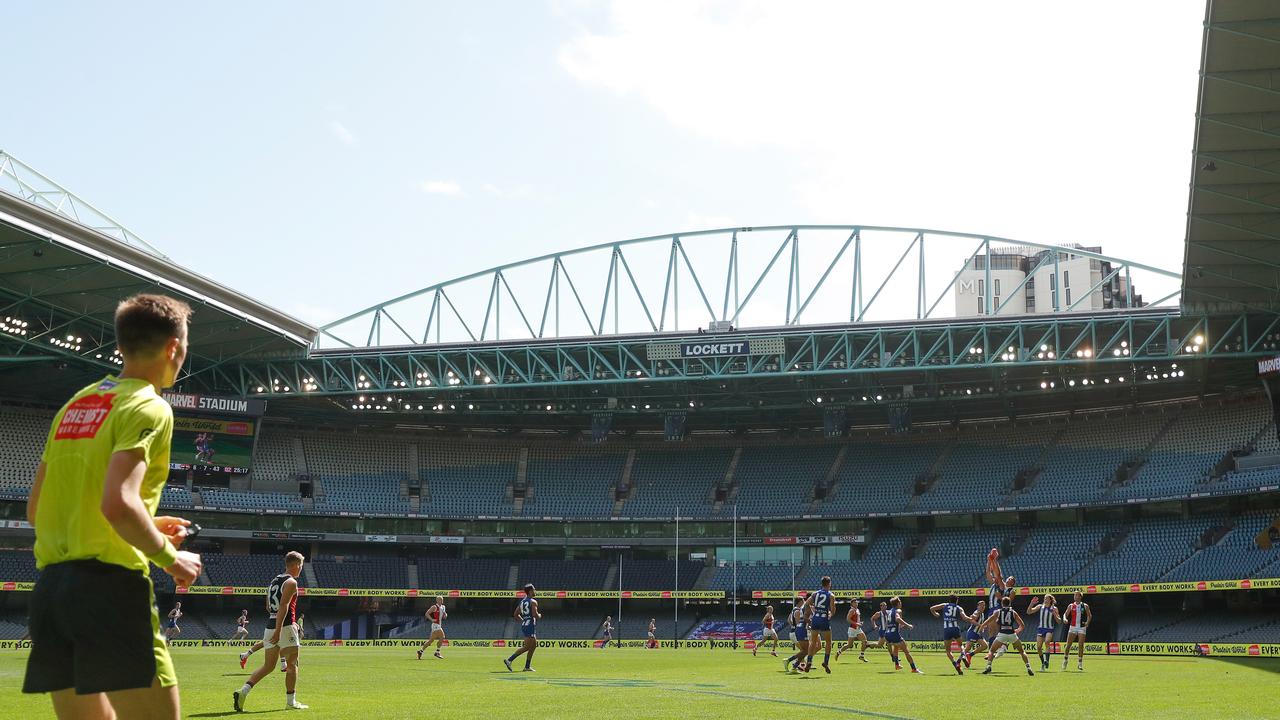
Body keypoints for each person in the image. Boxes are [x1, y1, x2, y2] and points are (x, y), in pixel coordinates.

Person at [22, 293, 202, 720]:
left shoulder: (75, 405)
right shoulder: (150, 405)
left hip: (52, 593)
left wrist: (150, 523)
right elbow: (118, 504)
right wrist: (170, 558)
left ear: (121, 346)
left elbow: (38, 510)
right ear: (174, 347)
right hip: (109, 593)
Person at [233, 551, 308, 711]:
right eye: (301, 565)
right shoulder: (291, 582)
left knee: (268, 666)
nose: (301, 568)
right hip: (285, 626)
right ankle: (291, 702)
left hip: (270, 624)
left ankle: (243, 691)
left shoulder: (275, 580)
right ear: (295, 565)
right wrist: (281, 628)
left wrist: (275, 626)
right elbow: (284, 606)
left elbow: (269, 606)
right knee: (292, 664)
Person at [980, 596, 1034, 676]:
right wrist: (1017, 630)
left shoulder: (998, 612)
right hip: (1012, 634)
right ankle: (1028, 667)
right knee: (1022, 652)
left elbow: (990, 620)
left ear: (1002, 603)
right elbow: (1022, 625)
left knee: (992, 651)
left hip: (1002, 634)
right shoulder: (1013, 612)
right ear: (1009, 603)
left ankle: (988, 666)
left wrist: (982, 625)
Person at [930, 593, 974, 675]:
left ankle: (955, 664)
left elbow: (932, 608)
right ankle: (963, 656)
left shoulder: (944, 605)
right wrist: (971, 618)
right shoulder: (958, 607)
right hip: (955, 628)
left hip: (947, 629)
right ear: (956, 601)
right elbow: (965, 618)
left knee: (948, 650)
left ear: (949, 600)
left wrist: (935, 614)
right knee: (961, 645)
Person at [504, 584, 540, 672]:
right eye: (534, 589)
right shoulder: (533, 602)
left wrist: (524, 621)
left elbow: (515, 614)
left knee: (534, 645)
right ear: (530, 591)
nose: (535, 591)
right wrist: (539, 615)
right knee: (527, 647)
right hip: (530, 625)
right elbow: (535, 615)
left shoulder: (522, 602)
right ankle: (509, 660)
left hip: (526, 625)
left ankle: (527, 666)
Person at [804, 576, 836, 673]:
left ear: (822, 584)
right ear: (829, 583)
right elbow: (832, 608)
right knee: (828, 642)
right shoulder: (831, 595)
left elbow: (806, 604)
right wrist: (831, 614)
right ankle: (826, 662)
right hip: (824, 619)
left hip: (815, 618)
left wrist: (813, 611)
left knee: (813, 642)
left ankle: (809, 660)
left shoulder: (815, 594)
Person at [883, 596, 922, 673]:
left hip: (887, 634)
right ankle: (914, 669)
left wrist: (899, 626)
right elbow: (897, 619)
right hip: (894, 634)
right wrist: (908, 625)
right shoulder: (898, 610)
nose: (901, 603)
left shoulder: (890, 611)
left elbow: (889, 623)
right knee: (906, 651)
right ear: (898, 603)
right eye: (900, 602)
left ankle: (897, 665)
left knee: (896, 647)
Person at [1027, 594, 1062, 671]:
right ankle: (1043, 662)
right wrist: (1031, 603)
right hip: (1040, 629)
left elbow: (1059, 621)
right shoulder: (1040, 606)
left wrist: (1054, 614)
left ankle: (1047, 661)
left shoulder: (1054, 608)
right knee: (1039, 647)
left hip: (1049, 628)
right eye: (1044, 598)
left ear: (1050, 600)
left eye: (1047, 598)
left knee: (1047, 642)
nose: (1045, 599)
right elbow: (1029, 612)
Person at [1061, 591, 1091, 671]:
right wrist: (1064, 619)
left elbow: (1089, 615)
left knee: (1081, 645)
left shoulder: (1085, 606)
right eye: (1075, 595)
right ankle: (1065, 660)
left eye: (1077, 595)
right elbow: (1065, 614)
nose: (1076, 597)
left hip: (1081, 627)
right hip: (1073, 627)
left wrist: (1087, 622)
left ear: (1080, 597)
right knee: (1068, 645)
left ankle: (1080, 663)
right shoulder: (1071, 605)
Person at [783, 597, 811, 673]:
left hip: (796, 630)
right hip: (799, 631)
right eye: (803, 600)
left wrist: (794, 625)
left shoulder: (795, 609)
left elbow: (789, 619)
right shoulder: (799, 610)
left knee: (805, 651)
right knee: (805, 650)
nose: (804, 601)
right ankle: (790, 661)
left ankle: (795, 666)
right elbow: (800, 622)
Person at [960, 600, 990, 668]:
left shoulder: (982, 613)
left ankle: (969, 655)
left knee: (985, 646)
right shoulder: (977, 612)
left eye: (984, 605)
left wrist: (982, 627)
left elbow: (974, 619)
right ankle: (958, 661)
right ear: (978, 606)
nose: (983, 607)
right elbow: (973, 619)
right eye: (981, 605)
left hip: (978, 634)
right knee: (967, 648)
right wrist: (980, 625)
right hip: (972, 632)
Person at [868, 601, 898, 666]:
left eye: (885, 605)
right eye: (882, 605)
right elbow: (872, 619)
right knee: (889, 643)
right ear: (880, 607)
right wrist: (874, 625)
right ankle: (893, 656)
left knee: (879, 645)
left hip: (889, 630)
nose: (884, 607)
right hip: (882, 631)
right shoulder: (878, 613)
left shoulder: (889, 612)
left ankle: (868, 645)